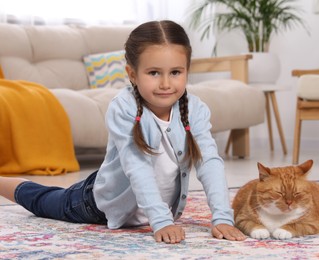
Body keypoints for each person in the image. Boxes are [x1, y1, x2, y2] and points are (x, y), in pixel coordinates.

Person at [0, 20, 246, 244]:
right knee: (44, 200)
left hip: (132, 196)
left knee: (54, 195)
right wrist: (161, 220)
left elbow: (209, 162)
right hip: (98, 202)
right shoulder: (123, 107)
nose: (165, 83)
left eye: (175, 72)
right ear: (132, 74)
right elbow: (137, 166)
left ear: (187, 71)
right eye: (153, 73)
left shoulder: (195, 109)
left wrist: (222, 217)